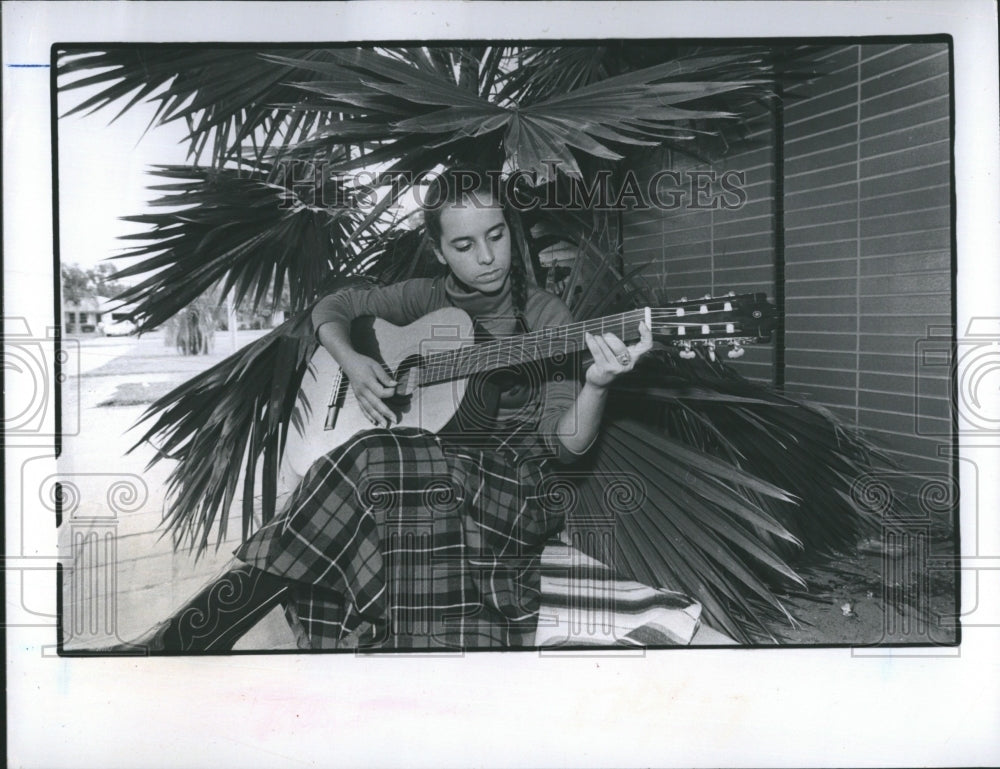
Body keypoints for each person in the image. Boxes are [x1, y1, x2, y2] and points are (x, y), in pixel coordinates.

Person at [115, 168, 651, 652]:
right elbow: (331, 308)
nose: (487, 258)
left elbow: (567, 445)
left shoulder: (545, 315)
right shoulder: (424, 297)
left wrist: (597, 384)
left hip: (510, 488)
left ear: (510, 228)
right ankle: (187, 639)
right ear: (440, 252)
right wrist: (352, 363)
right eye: (464, 245)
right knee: (375, 465)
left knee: (365, 461)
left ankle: (184, 638)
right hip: (418, 474)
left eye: (496, 235)